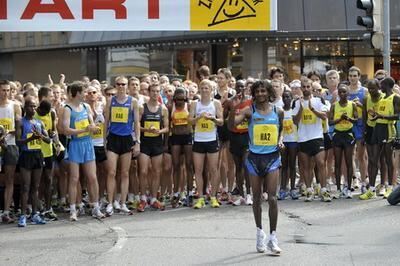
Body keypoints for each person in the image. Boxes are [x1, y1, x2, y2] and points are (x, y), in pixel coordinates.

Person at [229, 80, 283, 255]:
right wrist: (232, 108)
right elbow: (231, 126)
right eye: (257, 91)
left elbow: (280, 129)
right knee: (257, 198)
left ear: (268, 93)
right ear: (254, 93)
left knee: (273, 198)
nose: (260, 94)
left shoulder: (278, 111)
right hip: (254, 159)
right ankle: (260, 232)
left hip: (272, 158)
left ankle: (273, 237)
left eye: (263, 91)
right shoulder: (248, 111)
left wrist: (280, 140)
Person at [62, 82, 104, 221]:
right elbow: (66, 130)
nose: (85, 94)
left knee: (92, 177)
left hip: (87, 144)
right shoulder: (67, 108)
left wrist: (94, 127)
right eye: (83, 92)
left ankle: (96, 207)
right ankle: (73, 209)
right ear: (77, 93)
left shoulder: (86, 106)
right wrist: (84, 130)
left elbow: (91, 124)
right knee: (74, 178)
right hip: (75, 144)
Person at [104, 76, 140, 215]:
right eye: (118, 84)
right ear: (115, 85)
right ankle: (110, 203)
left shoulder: (133, 102)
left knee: (125, 173)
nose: (121, 87)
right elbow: (106, 121)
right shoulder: (110, 101)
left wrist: (137, 142)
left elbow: (136, 123)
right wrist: (104, 141)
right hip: (113, 138)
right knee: (111, 172)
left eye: (123, 84)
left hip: (126, 139)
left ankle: (123, 203)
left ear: (127, 86)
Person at [293, 78, 331, 202]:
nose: (306, 89)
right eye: (303, 87)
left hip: (317, 137)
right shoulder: (297, 102)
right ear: (301, 88)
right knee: (306, 166)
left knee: (321, 163)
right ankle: (309, 190)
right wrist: (301, 109)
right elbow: (295, 121)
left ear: (311, 88)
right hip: (303, 138)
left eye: (308, 87)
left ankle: (324, 190)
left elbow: (325, 116)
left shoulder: (319, 100)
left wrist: (312, 109)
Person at [362, 77, 400, 200]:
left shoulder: (395, 98)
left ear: (388, 86)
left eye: (382, 85)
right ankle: (371, 189)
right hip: (378, 129)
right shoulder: (382, 98)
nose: (380, 87)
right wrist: (375, 117)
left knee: (388, 160)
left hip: (388, 130)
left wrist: (382, 116)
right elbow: (378, 113)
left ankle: (390, 187)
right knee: (373, 159)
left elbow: (398, 115)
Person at [189, 79, 223, 209]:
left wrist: (212, 118)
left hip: (211, 139)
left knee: (213, 169)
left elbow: (221, 122)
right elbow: (190, 121)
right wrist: (199, 117)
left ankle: (213, 196)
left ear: (211, 90)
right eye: (202, 88)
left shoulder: (216, 103)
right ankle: (201, 197)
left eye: (206, 88)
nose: (204, 90)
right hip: (198, 140)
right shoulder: (194, 104)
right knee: (198, 170)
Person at [16, 96, 50, 227]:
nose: (33, 108)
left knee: (35, 187)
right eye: (31, 106)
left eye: (35, 106)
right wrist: (30, 139)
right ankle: (23, 215)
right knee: (25, 187)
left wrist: (40, 135)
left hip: (37, 155)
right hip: (26, 155)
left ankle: (35, 214)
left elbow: (48, 140)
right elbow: (18, 142)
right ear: (25, 108)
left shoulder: (39, 123)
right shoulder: (20, 122)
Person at [137, 84, 169, 212]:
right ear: (149, 93)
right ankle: (143, 198)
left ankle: (154, 198)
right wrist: (146, 129)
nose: (155, 93)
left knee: (156, 172)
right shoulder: (142, 108)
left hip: (157, 143)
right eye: (153, 91)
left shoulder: (163, 109)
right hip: (144, 143)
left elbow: (167, 127)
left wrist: (160, 131)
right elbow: (136, 125)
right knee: (143, 171)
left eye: (157, 91)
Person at [226, 79, 253, 206]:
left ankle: (249, 194)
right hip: (234, 137)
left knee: (246, 165)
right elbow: (228, 122)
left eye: (242, 87)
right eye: (238, 87)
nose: (240, 90)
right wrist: (232, 106)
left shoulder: (250, 102)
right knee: (238, 168)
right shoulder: (232, 101)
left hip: (246, 137)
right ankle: (241, 195)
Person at [329, 84, 358, 198]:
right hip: (337, 134)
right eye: (340, 92)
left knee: (349, 161)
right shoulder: (334, 106)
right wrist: (340, 119)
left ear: (348, 93)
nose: (342, 94)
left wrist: (349, 119)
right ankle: (339, 189)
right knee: (337, 162)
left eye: (344, 92)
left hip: (348, 134)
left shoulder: (352, 105)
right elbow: (330, 122)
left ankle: (349, 187)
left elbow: (356, 120)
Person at [0, 80, 22, 224]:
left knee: (9, 179)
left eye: (8, 90)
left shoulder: (15, 106)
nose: (5, 93)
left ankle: (7, 212)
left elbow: (19, 130)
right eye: (3, 90)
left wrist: (8, 131)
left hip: (11, 145)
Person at [168, 87, 194, 207]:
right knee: (176, 165)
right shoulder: (170, 108)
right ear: (174, 99)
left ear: (186, 99)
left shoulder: (189, 107)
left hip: (188, 137)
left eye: (182, 99)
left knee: (189, 165)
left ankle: (189, 193)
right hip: (176, 138)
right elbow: (167, 124)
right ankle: (176, 193)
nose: (180, 101)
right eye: (177, 99)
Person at [279, 90, 299, 200]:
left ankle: (293, 188)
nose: (286, 99)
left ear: (291, 98)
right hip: (283, 140)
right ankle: (283, 188)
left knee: (292, 165)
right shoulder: (280, 111)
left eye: (288, 97)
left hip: (293, 140)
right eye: (284, 97)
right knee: (283, 166)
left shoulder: (294, 111)